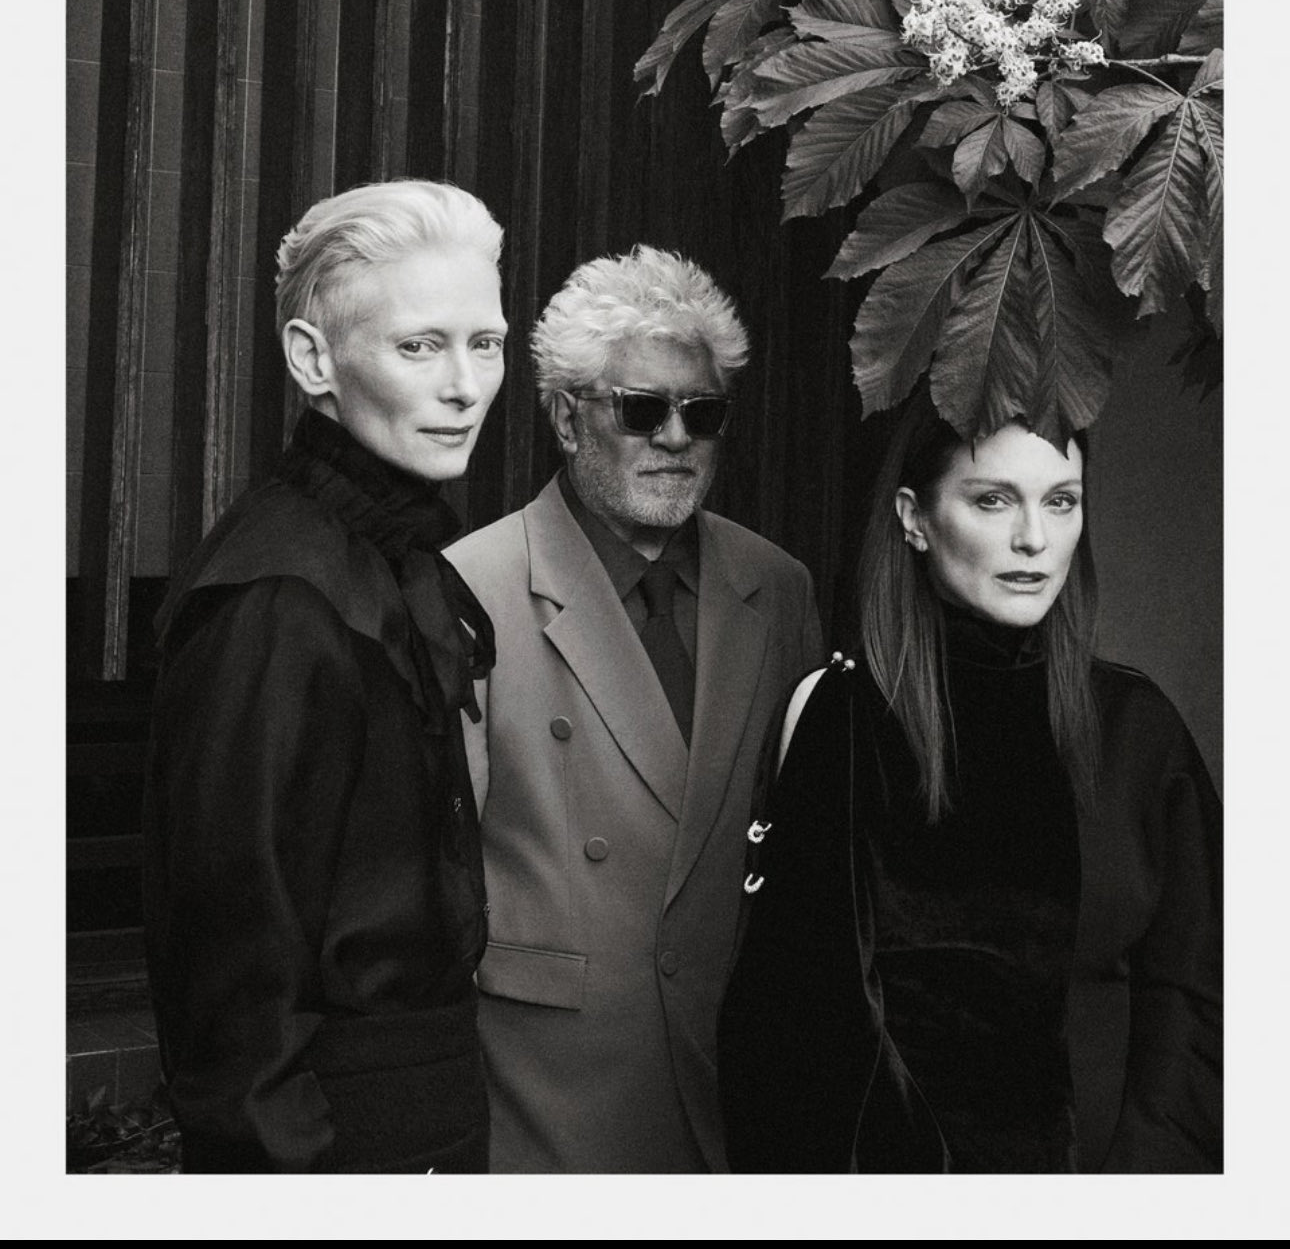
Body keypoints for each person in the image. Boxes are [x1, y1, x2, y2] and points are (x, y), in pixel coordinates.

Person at [718, 391, 1222, 1173]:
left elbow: (1200, 1002)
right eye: (993, 500)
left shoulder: (1136, 730)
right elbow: (792, 1030)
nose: (1034, 539)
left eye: (1061, 501)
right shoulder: (845, 718)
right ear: (914, 519)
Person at [143, 179, 507, 1172]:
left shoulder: (395, 560)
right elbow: (231, 997)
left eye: (486, 343)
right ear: (313, 359)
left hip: (429, 1114)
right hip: (336, 1144)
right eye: (419, 346)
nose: (465, 386)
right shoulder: (277, 597)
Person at [444, 245, 823, 1172]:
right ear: (568, 418)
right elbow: (430, 887)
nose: (676, 438)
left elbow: (804, 846)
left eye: (704, 413)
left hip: (737, 1076)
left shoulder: (777, 587)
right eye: (643, 410)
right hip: (548, 1095)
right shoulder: (470, 588)